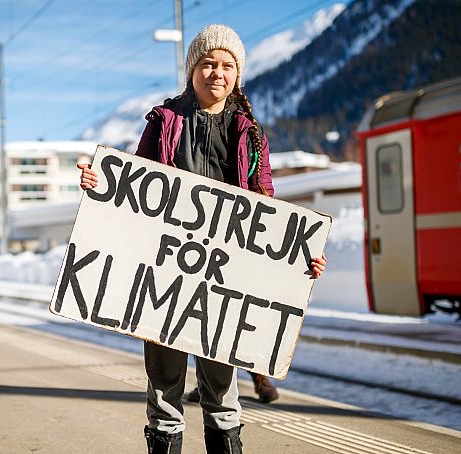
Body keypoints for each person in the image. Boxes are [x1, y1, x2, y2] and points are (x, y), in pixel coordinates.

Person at [78, 24, 327, 454]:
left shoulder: (250, 133)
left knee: (223, 398)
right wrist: (102, 186)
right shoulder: (164, 121)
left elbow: (265, 203)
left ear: (238, 74)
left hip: (224, 283)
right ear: (192, 69)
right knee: (164, 396)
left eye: (228, 65)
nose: (218, 72)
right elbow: (135, 188)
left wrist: (297, 257)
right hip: (166, 276)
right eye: (209, 63)